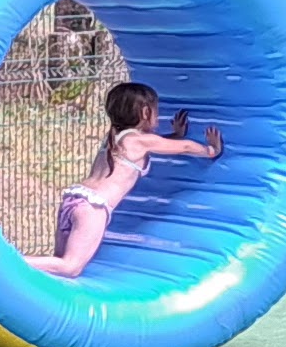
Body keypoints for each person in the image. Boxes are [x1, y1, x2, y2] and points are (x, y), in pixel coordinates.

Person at [37, 79, 223, 276]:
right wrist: (211, 150)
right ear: (145, 112)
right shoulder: (139, 141)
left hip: (75, 198)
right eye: (156, 110)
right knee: (70, 267)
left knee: (56, 266)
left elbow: (157, 144)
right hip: (93, 207)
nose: (158, 114)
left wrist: (175, 135)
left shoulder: (114, 138)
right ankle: (11, 260)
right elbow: (185, 147)